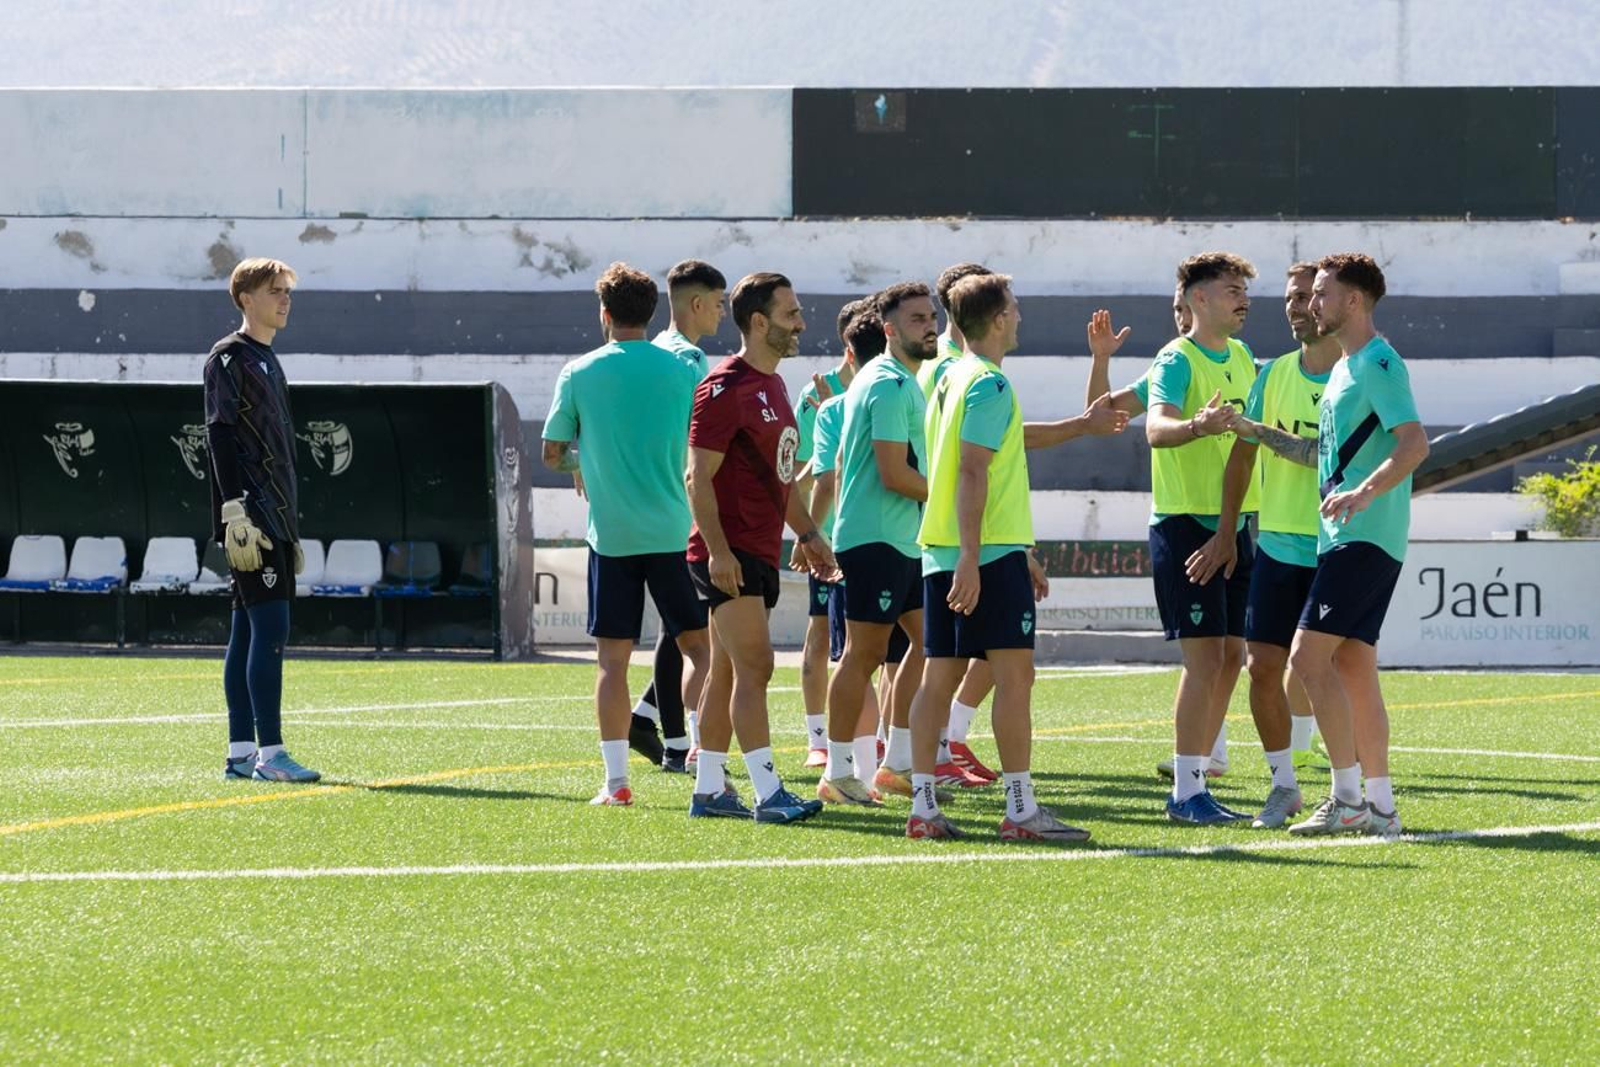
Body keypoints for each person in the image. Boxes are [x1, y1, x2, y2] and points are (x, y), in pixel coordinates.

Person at [907, 272, 1127, 842]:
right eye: (1015, 307)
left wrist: (1081, 424)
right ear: (998, 319)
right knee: (1015, 677)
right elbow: (975, 469)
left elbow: (998, 445)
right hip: (980, 553)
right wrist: (977, 558)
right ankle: (1021, 810)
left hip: (947, 547)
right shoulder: (988, 382)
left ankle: (924, 806)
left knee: (939, 677)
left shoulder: (947, 374)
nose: (1022, 315)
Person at [1235, 254, 1427, 837]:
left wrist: (1362, 494)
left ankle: (1346, 798)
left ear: (1354, 301)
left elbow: (1415, 443)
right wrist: (1256, 432)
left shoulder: (1378, 362)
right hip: (1346, 537)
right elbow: (1323, 454)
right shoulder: (1347, 366)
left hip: (1364, 537)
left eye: (1322, 293)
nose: (1310, 303)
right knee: (1354, 670)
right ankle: (1383, 808)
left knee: (1306, 659)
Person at [542, 263, 711, 806]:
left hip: (612, 536)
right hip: (673, 530)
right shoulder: (681, 371)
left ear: (605, 313)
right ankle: (709, 765)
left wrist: (583, 459)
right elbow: (697, 445)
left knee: (612, 663)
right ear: (652, 313)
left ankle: (616, 783)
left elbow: (552, 453)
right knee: (701, 651)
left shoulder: (579, 371)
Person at [1187, 262, 1342, 828]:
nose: (1295, 306)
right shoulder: (1271, 373)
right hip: (1276, 543)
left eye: (1307, 296)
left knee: (1340, 668)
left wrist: (1260, 435)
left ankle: (1353, 788)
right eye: (1291, 297)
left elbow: (1316, 456)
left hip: (1337, 545)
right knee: (1262, 667)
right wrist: (1228, 530)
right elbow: (1242, 456)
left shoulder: (1355, 376)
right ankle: (1284, 786)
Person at [685, 272, 836, 823]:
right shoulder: (723, 386)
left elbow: (781, 482)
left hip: (758, 548)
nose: (800, 323)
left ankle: (708, 790)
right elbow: (696, 477)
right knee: (757, 666)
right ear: (758, 322)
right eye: (791, 313)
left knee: (728, 669)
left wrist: (812, 536)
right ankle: (770, 794)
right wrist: (720, 552)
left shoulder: (773, 387)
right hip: (728, 555)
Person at [1143, 252, 1262, 825]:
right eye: (1231, 288)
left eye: (1244, 290)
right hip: (1188, 525)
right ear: (1198, 300)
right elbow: (1154, 426)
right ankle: (1185, 792)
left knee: (1232, 655)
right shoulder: (1177, 357)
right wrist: (1197, 426)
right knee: (1204, 657)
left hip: (1234, 523)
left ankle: (1200, 775)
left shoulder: (1241, 356)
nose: (1243, 298)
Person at [816, 282, 939, 806]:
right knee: (863, 655)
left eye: (931, 316)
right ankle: (839, 772)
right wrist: (951, 496)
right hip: (876, 539)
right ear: (888, 329)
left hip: (899, 536)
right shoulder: (888, 383)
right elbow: (893, 473)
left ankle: (896, 764)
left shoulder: (895, 380)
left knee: (932, 641)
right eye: (916, 319)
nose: (930, 326)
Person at [205, 257, 320, 783]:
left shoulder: (268, 360)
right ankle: (270, 754)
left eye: (288, 291)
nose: (285, 299)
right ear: (246, 297)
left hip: (275, 515)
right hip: (252, 515)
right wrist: (233, 510)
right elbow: (220, 433)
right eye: (275, 290)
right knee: (271, 629)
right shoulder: (229, 357)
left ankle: (239, 753)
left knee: (246, 633)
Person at [629, 259, 726, 772]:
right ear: (694, 304)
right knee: (690, 632)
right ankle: (677, 743)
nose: (722, 312)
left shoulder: (650, 354)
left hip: (654, 502)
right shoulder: (688, 361)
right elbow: (698, 443)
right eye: (717, 302)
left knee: (682, 626)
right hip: (678, 507)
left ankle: (646, 719)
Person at [793, 298, 871, 767]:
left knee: (878, 643)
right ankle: (818, 739)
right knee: (822, 632)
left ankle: (877, 740)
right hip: (829, 533)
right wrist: (809, 534)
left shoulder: (894, 383)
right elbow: (800, 475)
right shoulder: (817, 396)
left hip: (881, 531)